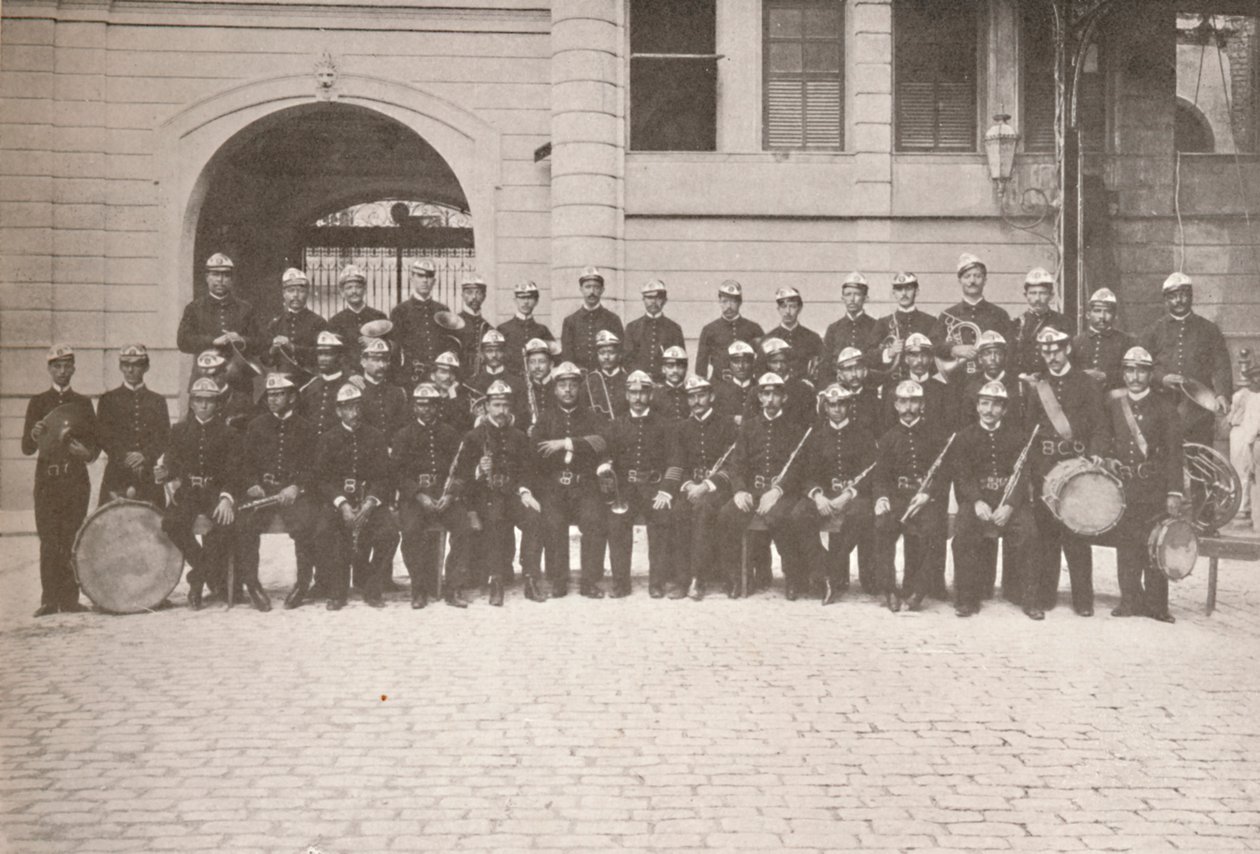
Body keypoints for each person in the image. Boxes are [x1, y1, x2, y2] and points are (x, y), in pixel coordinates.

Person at [1022, 326, 1112, 619]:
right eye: (1046, 351)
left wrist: (1096, 453)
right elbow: (1031, 429)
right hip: (1046, 466)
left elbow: (1100, 425)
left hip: (1076, 465)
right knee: (1047, 533)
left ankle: (1083, 599)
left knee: (1077, 532)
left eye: (1057, 349)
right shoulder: (1039, 387)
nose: (1052, 356)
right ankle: (1046, 594)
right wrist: (1035, 469)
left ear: (1068, 349)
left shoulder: (1086, 383)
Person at [1103, 347, 1183, 623]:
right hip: (1125, 486)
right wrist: (1109, 459)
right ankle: (1129, 600)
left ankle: (1158, 605)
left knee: (1155, 544)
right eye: (1129, 370)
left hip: (1155, 487)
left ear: (1150, 374)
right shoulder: (1114, 405)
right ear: (1123, 373)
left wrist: (1174, 491)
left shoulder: (1165, 407)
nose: (1135, 377)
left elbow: (1175, 453)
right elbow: (1105, 440)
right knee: (1126, 545)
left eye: (1141, 371)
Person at [235, 373, 326, 613]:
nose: (274, 399)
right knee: (245, 524)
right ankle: (253, 585)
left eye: (280, 394)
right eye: (271, 395)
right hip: (263, 493)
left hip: (294, 493)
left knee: (306, 524)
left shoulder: (306, 428)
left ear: (293, 397)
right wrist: (252, 484)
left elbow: (314, 467)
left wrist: (296, 486)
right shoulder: (256, 425)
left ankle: (302, 584)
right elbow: (245, 463)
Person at [949, 381, 1038, 617]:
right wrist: (977, 500)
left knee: (1028, 532)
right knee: (963, 535)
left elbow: (1022, 475)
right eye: (985, 404)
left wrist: (1009, 505)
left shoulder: (1018, 437)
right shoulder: (964, 437)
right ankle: (967, 599)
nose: (989, 410)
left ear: (1005, 410)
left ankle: (1029, 600)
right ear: (977, 406)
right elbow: (962, 475)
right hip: (978, 502)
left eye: (996, 405)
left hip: (1009, 502)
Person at [23, 344, 99, 616]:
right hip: (47, 480)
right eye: (57, 366)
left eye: (67, 366)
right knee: (48, 538)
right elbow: (27, 448)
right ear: (49, 369)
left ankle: (70, 599)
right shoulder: (37, 402)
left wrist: (87, 453)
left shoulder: (83, 402)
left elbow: (95, 444)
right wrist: (34, 434)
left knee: (71, 536)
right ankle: (49, 599)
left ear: (74, 369)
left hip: (75, 480)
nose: (62, 371)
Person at [717, 372, 808, 599]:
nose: (770, 399)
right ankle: (736, 578)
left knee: (780, 518)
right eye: (765, 394)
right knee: (727, 515)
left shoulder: (795, 429)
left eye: (775, 394)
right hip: (752, 490)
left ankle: (793, 578)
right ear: (759, 397)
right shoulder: (748, 428)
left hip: (781, 492)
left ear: (784, 398)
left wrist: (777, 491)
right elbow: (737, 464)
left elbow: (798, 468)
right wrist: (739, 490)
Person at [456, 380, 546, 606]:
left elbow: (529, 469)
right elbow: (461, 474)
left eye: (505, 405)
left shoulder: (519, 437)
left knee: (533, 518)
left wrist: (525, 491)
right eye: (496, 405)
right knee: (494, 520)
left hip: (514, 494)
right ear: (487, 406)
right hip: (486, 496)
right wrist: (478, 470)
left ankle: (530, 578)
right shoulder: (474, 437)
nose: (501, 411)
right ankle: (496, 580)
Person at [790, 384, 878, 606]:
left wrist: (848, 494)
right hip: (825, 496)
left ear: (848, 406)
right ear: (825, 408)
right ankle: (823, 571)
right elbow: (806, 474)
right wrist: (818, 496)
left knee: (862, 515)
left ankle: (832, 569)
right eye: (832, 405)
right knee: (799, 514)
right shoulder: (816, 437)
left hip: (853, 497)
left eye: (841, 404)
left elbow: (871, 473)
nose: (837, 409)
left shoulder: (864, 435)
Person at [598, 370, 682, 598]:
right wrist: (605, 465)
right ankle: (621, 584)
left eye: (642, 393)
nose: (637, 398)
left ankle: (657, 583)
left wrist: (666, 490)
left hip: (654, 487)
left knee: (662, 521)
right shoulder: (616, 425)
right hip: (625, 488)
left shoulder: (665, 425)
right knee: (616, 524)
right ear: (626, 395)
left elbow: (675, 461)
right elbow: (607, 454)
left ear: (651, 395)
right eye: (633, 393)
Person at [158, 377, 239, 611]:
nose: (204, 406)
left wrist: (226, 498)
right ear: (192, 403)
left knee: (225, 525)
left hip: (215, 491)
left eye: (209, 401)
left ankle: (196, 581)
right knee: (171, 523)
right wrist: (166, 476)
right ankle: (205, 572)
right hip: (189, 492)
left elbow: (235, 471)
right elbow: (171, 464)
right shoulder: (179, 430)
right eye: (199, 400)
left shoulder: (229, 433)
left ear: (217, 404)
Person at [531, 362, 610, 598]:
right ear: (555, 389)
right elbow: (535, 450)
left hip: (585, 485)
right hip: (554, 486)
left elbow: (603, 442)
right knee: (553, 523)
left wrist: (566, 444)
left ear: (579, 388)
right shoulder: (545, 419)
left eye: (573, 385)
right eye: (563, 385)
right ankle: (558, 580)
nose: (567, 390)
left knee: (594, 520)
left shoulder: (591, 415)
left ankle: (590, 581)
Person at [316, 382, 397, 610]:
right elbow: (322, 479)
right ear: (338, 411)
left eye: (357, 407)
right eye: (348, 408)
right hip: (338, 503)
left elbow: (384, 477)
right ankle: (336, 591)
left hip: (369, 502)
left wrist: (371, 502)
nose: (354, 413)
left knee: (389, 534)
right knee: (324, 532)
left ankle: (372, 588)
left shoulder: (375, 437)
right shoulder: (328, 439)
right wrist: (341, 504)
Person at [872, 380, 950, 613]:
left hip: (924, 499)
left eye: (914, 401)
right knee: (882, 526)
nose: (908, 407)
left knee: (934, 530)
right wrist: (881, 498)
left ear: (922, 404)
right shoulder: (887, 438)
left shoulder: (935, 436)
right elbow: (881, 475)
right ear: (895, 405)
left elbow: (944, 475)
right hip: (897, 497)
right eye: (903, 401)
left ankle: (919, 589)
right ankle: (889, 589)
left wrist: (928, 494)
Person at [393, 382, 472, 609]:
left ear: (438, 407)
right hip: (416, 498)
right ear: (414, 407)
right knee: (410, 531)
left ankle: (453, 587)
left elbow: (461, 468)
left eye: (431, 405)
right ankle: (419, 588)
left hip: (445, 495)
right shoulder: (403, 435)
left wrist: (451, 495)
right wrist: (419, 495)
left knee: (464, 529)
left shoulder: (449, 433)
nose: (425, 409)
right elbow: (397, 473)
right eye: (420, 404)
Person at [1142, 271, 1233, 446]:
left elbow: (1221, 365)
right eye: (1173, 296)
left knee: (1199, 452)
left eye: (1183, 295)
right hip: (1162, 401)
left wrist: (1222, 394)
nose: (1179, 301)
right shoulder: (1153, 331)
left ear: (1191, 296)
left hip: (1198, 407)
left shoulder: (1209, 330)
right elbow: (1143, 366)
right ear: (1166, 300)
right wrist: (1162, 378)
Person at [671, 374, 738, 600]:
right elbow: (677, 462)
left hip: (718, 489)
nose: (696, 401)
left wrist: (708, 485)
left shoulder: (726, 424)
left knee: (703, 510)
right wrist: (688, 484)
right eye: (691, 397)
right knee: (678, 510)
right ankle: (682, 579)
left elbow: (733, 463)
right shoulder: (681, 427)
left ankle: (698, 579)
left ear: (711, 396)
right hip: (691, 488)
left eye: (701, 396)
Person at [176, 253, 261, 394]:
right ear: (207, 277)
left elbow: (261, 342)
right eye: (215, 274)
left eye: (226, 275)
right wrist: (212, 341)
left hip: (238, 382)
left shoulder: (245, 308)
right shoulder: (194, 308)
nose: (220, 280)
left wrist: (242, 340)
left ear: (232, 279)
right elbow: (182, 341)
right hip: (204, 378)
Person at [95, 344, 169, 507]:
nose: (130, 370)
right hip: (117, 473)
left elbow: (164, 436)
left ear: (146, 367)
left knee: (152, 526)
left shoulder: (157, 401)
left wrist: (145, 456)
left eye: (136, 365)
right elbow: (103, 436)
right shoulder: (108, 400)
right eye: (126, 365)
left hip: (148, 474)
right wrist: (125, 457)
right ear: (121, 367)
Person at [930, 253, 1014, 384]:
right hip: (957, 383)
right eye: (967, 276)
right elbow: (933, 344)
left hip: (991, 384)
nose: (972, 281)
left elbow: (1010, 350)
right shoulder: (947, 315)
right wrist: (953, 349)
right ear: (960, 281)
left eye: (977, 276)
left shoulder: (999, 314)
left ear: (985, 280)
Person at [390, 258, 461, 388]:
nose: (425, 280)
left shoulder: (442, 310)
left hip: (440, 376)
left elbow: (451, 343)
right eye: (420, 276)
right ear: (412, 278)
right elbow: (395, 349)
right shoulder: (400, 311)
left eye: (429, 277)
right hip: (411, 375)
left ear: (434, 281)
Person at [264, 268, 328, 378]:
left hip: (310, 379)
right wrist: (273, 349)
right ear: (284, 294)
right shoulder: (275, 324)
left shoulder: (318, 322)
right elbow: (266, 361)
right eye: (291, 291)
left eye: (301, 291)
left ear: (307, 294)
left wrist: (293, 348)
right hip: (283, 382)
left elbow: (323, 354)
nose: (296, 295)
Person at [695, 279, 763, 382]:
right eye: (725, 301)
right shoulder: (709, 330)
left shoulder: (753, 328)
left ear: (740, 302)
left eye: (733, 301)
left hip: (746, 385)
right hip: (719, 385)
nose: (729, 306)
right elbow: (701, 367)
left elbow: (763, 360)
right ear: (719, 302)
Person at [871, 273, 935, 381]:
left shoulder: (930, 322)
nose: (904, 293)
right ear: (893, 293)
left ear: (917, 291)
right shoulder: (883, 323)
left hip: (923, 384)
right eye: (899, 289)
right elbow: (868, 356)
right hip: (893, 385)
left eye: (909, 289)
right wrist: (888, 353)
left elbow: (938, 355)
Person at [1011, 267, 1074, 377]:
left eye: (1042, 293)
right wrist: (1022, 376)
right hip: (1025, 380)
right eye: (1033, 293)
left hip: (1053, 379)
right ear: (1025, 295)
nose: (1037, 298)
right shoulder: (1018, 323)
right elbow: (1011, 356)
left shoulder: (1063, 322)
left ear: (1051, 296)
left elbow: (1070, 355)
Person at [561, 266, 624, 372]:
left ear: (602, 290)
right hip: (579, 377)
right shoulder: (570, 321)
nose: (592, 291)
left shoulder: (613, 319)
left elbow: (620, 352)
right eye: (588, 287)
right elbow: (567, 356)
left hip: (605, 376)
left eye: (596, 287)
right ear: (581, 289)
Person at [1072, 288, 1134, 391]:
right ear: (1088, 314)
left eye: (1108, 312)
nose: (1102, 316)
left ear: (1115, 316)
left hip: (1113, 398)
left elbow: (1131, 372)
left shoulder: (1125, 341)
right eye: (1097, 311)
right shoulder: (1077, 341)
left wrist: (1106, 376)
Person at [327, 264, 387, 370]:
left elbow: (392, 348)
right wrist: (349, 375)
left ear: (364, 290)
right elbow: (333, 355)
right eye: (349, 288)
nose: (354, 291)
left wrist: (376, 343)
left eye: (358, 287)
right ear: (342, 292)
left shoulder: (378, 316)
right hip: (347, 378)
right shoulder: (335, 321)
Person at [961, 331, 1025, 429]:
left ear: (1005, 357)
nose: (993, 358)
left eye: (998, 353)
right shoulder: (972, 388)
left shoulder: (1020, 385)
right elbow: (968, 425)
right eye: (987, 354)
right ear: (980, 359)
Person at [623, 279, 685, 380]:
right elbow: (627, 359)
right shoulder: (632, 327)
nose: (653, 301)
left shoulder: (674, 328)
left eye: (658, 298)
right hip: (639, 383)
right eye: (649, 297)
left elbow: (681, 361)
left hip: (664, 383)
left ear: (665, 300)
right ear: (643, 299)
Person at [821, 273, 880, 379]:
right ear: (842, 298)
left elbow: (879, 362)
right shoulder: (834, 329)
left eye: (857, 294)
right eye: (848, 294)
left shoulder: (876, 326)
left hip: (868, 387)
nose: (852, 299)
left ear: (865, 298)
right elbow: (826, 364)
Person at [764, 287, 823, 382]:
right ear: (778, 309)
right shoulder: (769, 338)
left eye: (792, 306)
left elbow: (821, 368)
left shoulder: (812, 338)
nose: (787, 311)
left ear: (799, 308)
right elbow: (761, 370)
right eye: (783, 307)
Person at [298, 331, 348, 438]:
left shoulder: (349, 386)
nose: (322, 359)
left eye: (328, 354)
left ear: (340, 357)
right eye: (320, 353)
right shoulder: (310, 386)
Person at [1229, 361, 1260, 520]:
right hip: (1240, 432)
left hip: (1252, 436)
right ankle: (1240, 506)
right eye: (1256, 376)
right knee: (1239, 469)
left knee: (1251, 472)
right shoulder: (1241, 395)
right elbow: (1232, 416)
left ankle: (1248, 507)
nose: (1258, 379)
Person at [498, 280, 555, 366]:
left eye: (530, 298)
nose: (526, 302)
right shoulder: (503, 329)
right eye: (522, 298)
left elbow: (554, 357)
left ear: (536, 301)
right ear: (515, 300)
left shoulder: (542, 330)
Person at [585, 329, 629, 420]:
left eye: (611, 353)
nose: (606, 357)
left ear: (619, 355)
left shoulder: (628, 380)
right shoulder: (589, 381)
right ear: (597, 355)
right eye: (602, 353)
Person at [457, 275, 493, 378]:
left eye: (478, 293)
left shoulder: (488, 327)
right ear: (462, 295)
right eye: (469, 292)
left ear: (484, 296)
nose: (474, 297)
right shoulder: (454, 322)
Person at [430, 351, 475, 434]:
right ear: (433, 376)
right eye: (443, 372)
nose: (448, 377)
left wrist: (453, 396)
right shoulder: (428, 397)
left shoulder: (464, 399)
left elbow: (463, 426)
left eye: (452, 373)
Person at [713, 341, 756, 425]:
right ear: (729, 364)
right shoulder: (719, 390)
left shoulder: (759, 387)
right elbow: (714, 418)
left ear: (752, 364)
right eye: (736, 362)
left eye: (746, 361)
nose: (741, 366)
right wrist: (732, 419)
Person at [655, 346, 690, 421]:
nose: (675, 370)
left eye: (680, 366)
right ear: (663, 369)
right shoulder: (655, 394)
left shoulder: (691, 393)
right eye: (670, 366)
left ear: (686, 369)